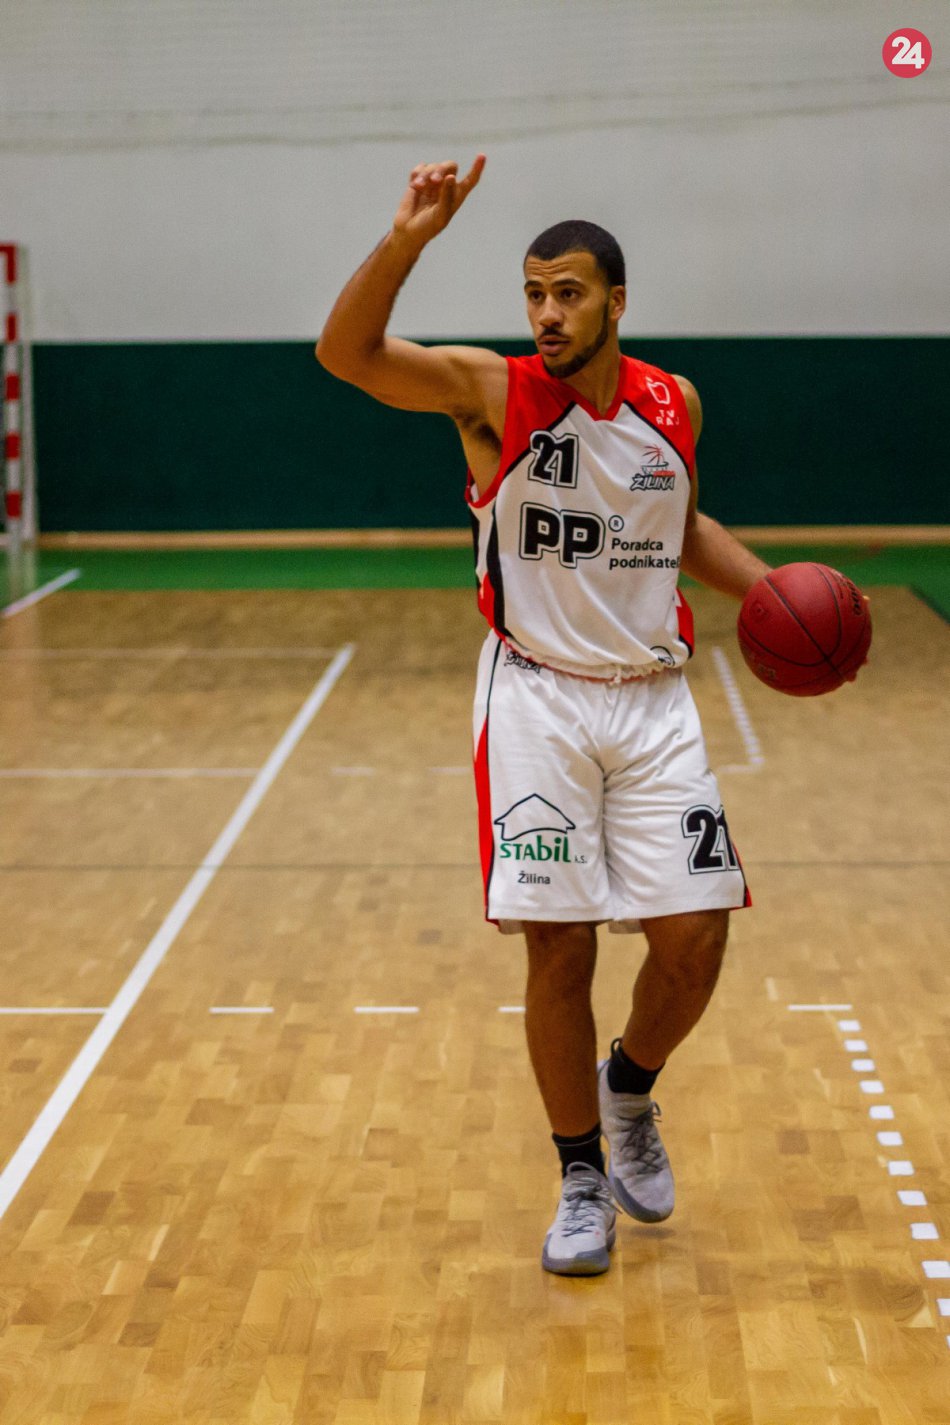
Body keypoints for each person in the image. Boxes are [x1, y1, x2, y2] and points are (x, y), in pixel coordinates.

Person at [316, 155, 770, 1276]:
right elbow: (346, 357)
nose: (547, 314)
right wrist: (408, 239)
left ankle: (629, 1089)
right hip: (536, 700)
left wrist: (779, 595)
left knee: (695, 939)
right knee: (557, 949)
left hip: (653, 700)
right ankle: (578, 1176)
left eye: (568, 293)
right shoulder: (491, 392)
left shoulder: (673, 404)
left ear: (617, 301)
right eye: (533, 294)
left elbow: (678, 530)